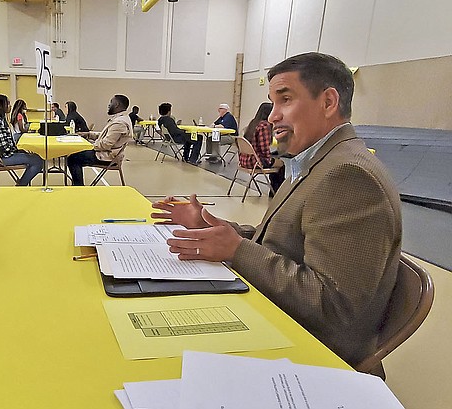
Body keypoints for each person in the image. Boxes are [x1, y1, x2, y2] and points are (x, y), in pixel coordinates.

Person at [151, 52, 401, 375]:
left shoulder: (349, 176)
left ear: (328, 102)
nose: (271, 117)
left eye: (285, 100)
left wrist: (237, 249)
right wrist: (213, 226)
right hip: (280, 322)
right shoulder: (314, 162)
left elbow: (334, 311)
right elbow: (277, 241)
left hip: (314, 360)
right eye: (271, 102)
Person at [66, 94, 132, 186]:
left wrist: (88, 145)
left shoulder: (119, 123)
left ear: (117, 104)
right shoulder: (120, 119)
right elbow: (104, 136)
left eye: (111, 102)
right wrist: (88, 134)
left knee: (73, 158)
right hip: (108, 153)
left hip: (108, 157)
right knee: (74, 155)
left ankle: (78, 187)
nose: (109, 105)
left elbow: (106, 144)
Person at [0, 94, 44, 186]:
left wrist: (19, 151)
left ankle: (21, 184)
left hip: (3, 155)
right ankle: (21, 185)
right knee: (38, 161)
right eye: (7, 104)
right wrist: (18, 152)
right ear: (0, 106)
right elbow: (4, 147)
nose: (10, 106)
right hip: (3, 158)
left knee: (33, 156)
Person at [240, 102, 284, 195]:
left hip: (244, 160)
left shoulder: (253, 123)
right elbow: (264, 150)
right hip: (255, 162)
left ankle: (274, 191)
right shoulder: (264, 126)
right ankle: (276, 193)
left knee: (275, 160)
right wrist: (270, 160)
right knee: (281, 164)